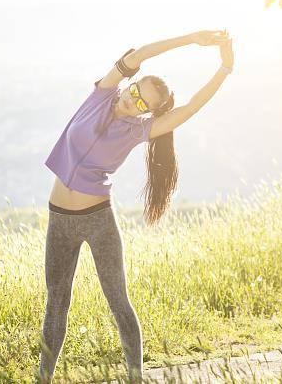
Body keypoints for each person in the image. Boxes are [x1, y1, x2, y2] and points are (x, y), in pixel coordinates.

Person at [38, 30, 235, 383]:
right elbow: (141, 53)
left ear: (150, 111)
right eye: (135, 92)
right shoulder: (101, 93)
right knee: (56, 302)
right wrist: (192, 39)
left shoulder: (138, 131)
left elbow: (191, 108)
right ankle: (43, 379)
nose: (133, 102)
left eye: (143, 104)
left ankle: (135, 377)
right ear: (130, 84)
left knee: (118, 301)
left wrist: (224, 68)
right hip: (59, 217)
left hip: (97, 219)